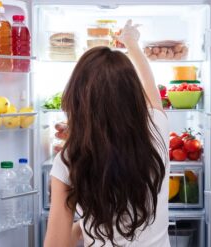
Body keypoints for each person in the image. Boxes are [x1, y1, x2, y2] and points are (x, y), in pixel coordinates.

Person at [44, 20, 170, 247]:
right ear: (133, 96)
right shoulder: (157, 129)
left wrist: (80, 227)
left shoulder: (68, 160)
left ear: (77, 100)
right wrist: (132, 43)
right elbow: (151, 89)